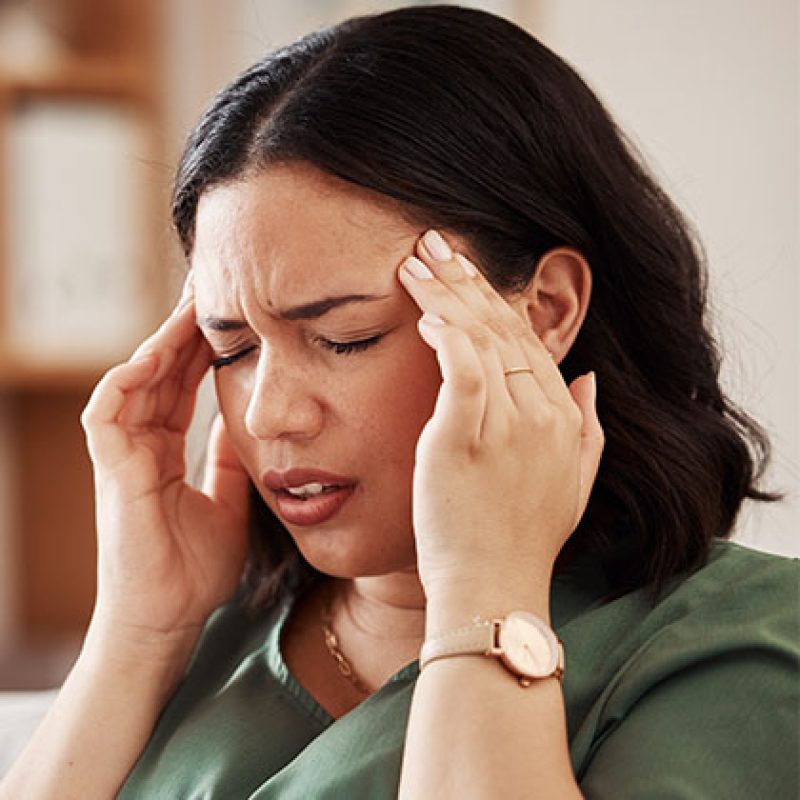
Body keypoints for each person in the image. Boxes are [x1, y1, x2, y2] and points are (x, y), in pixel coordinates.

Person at [2, 5, 797, 798]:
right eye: (232, 348)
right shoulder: (203, 637)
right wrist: (139, 630)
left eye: (346, 337)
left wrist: (487, 596)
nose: (268, 414)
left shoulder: (736, 648)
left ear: (545, 309)